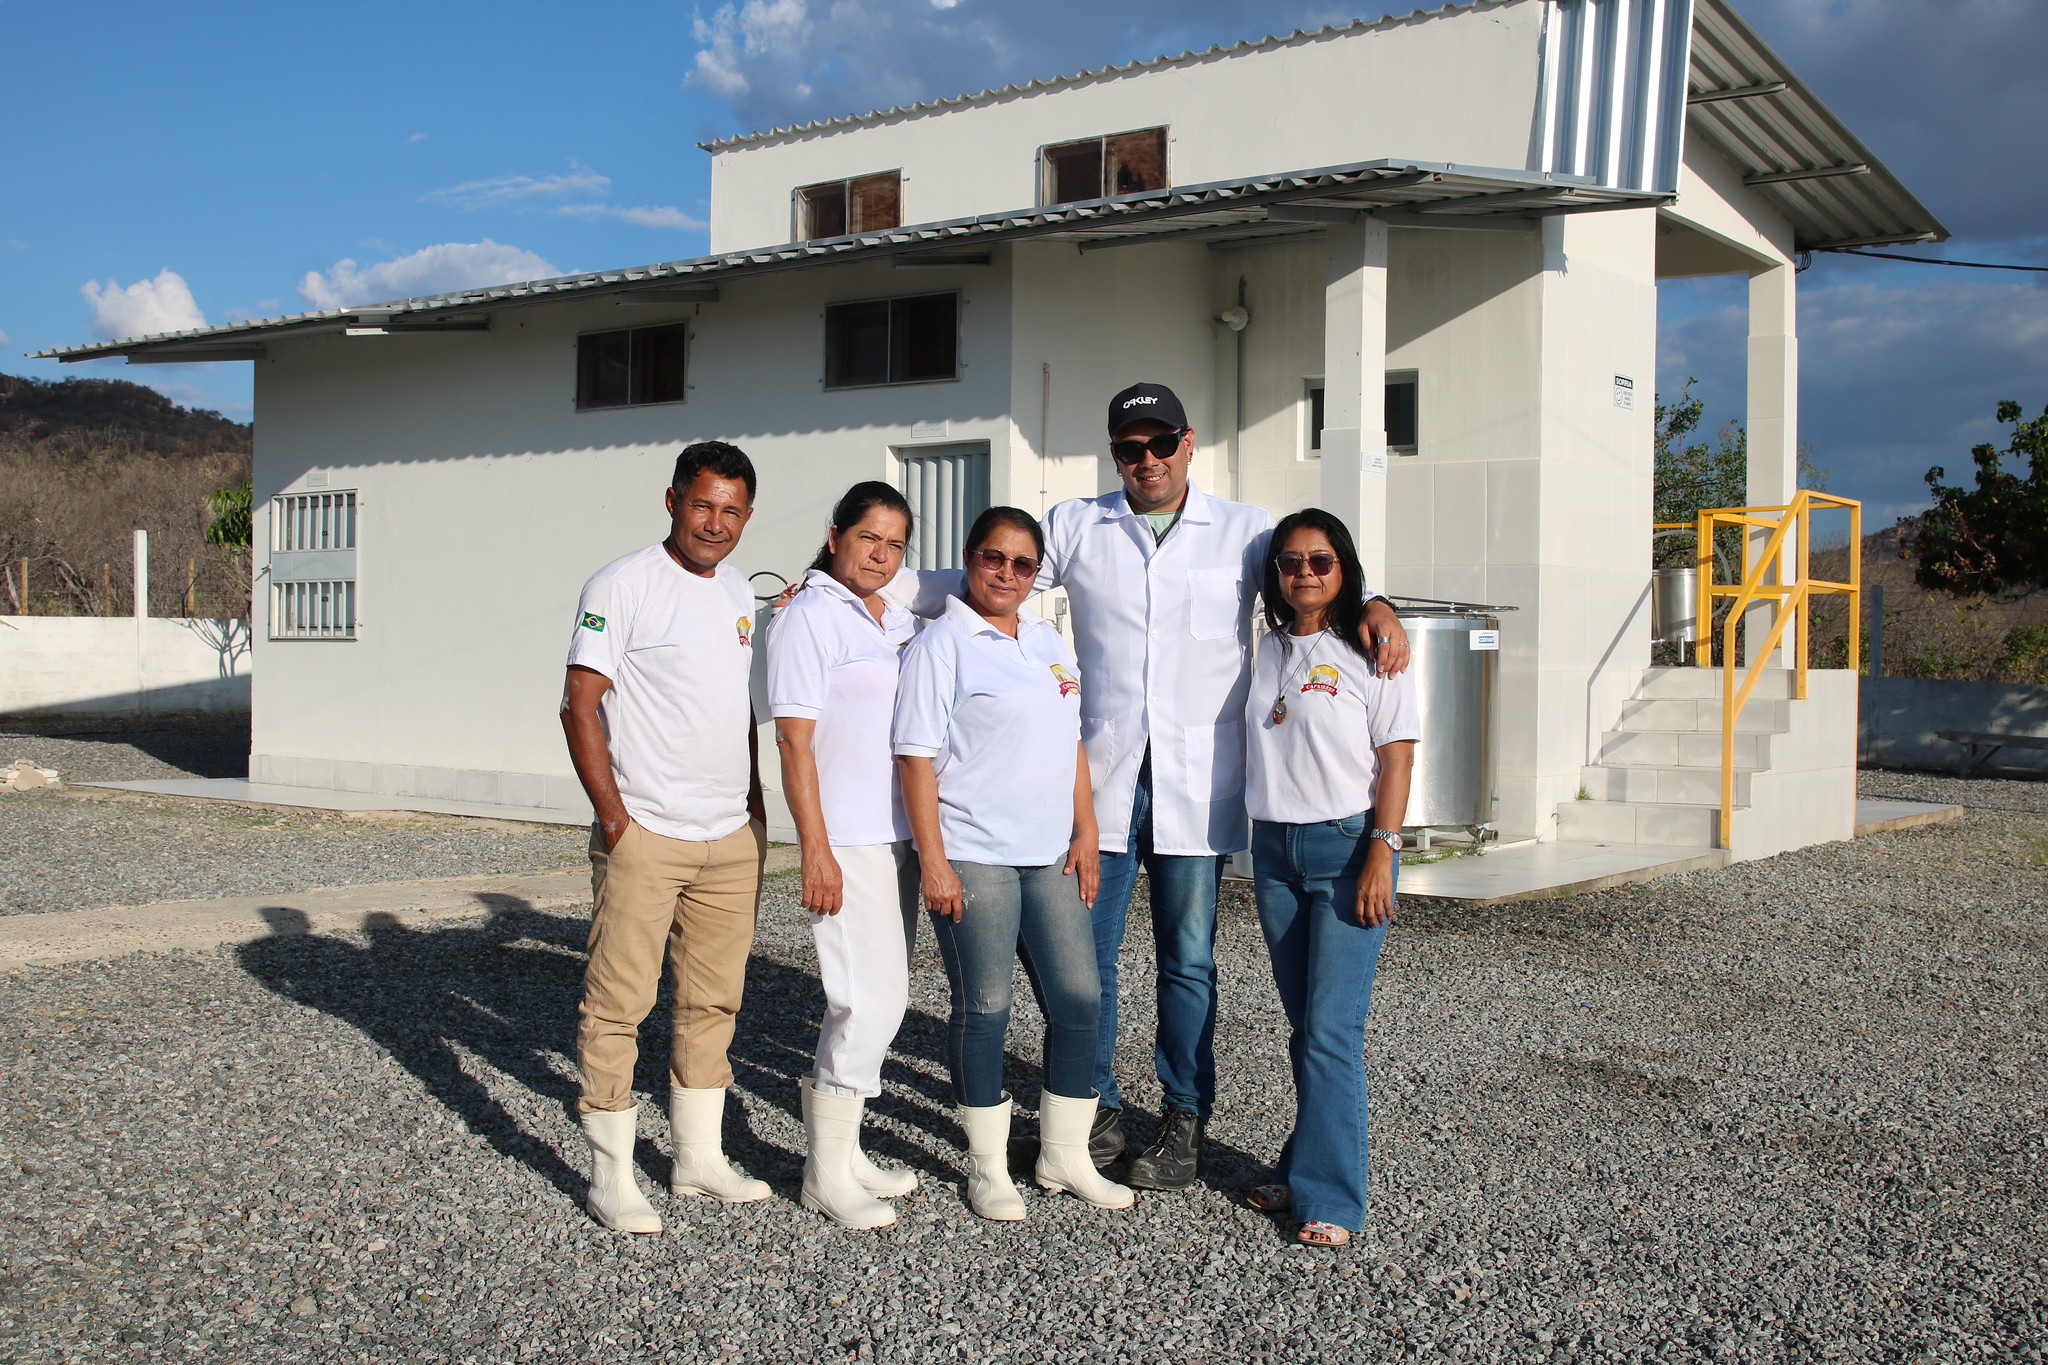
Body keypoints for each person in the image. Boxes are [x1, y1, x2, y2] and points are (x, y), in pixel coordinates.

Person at [998, 381, 1410, 1191]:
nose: (1147, 460)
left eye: (1162, 444)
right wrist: (859, 582)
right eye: (1130, 448)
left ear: (1188, 444)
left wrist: (1382, 604)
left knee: (1188, 960)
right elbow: (989, 575)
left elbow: (1317, 574)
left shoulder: (1246, 531)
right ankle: (1094, 1110)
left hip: (1199, 780)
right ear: (1114, 454)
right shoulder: (1077, 525)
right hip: (1105, 782)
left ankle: (1184, 1116)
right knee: (1087, 958)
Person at [890, 506, 1134, 1221]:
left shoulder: (1046, 638)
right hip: (975, 852)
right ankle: (987, 1165)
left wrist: (1086, 830)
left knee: (1080, 999)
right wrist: (934, 860)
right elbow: (914, 758)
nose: (1007, 573)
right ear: (969, 558)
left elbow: (1071, 742)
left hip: (1050, 851)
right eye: (993, 557)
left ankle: (1064, 1154)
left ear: (1036, 574)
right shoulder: (942, 644)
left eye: (1023, 563)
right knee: (986, 1007)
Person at [559, 441, 772, 1235]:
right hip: (646, 830)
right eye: (703, 504)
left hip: (728, 835)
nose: (716, 522)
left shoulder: (739, 594)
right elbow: (580, 704)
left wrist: (754, 809)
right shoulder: (621, 584)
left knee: (713, 1000)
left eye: (732, 510)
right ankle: (611, 1175)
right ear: (673, 500)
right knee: (620, 1002)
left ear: (747, 515)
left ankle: (697, 1158)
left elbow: (736, 710)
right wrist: (616, 820)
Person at [1241, 508, 1418, 1249]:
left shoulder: (1372, 650)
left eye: (1320, 560)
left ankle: (1334, 1199)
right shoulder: (1265, 646)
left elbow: (1398, 756)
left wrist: (1383, 849)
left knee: (1332, 1030)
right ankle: (1300, 1163)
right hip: (1274, 854)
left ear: (1344, 567)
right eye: (1290, 562)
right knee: (1306, 1027)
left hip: (1348, 850)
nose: (1304, 573)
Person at [766, 481, 925, 1230]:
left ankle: (848, 1149)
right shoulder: (808, 616)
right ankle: (824, 1173)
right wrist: (815, 848)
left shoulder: (892, 608)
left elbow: (957, 579)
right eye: (869, 538)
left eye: (896, 544)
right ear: (835, 537)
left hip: (896, 831)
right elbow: (793, 740)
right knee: (868, 999)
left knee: (874, 996)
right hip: (846, 836)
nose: (882, 555)